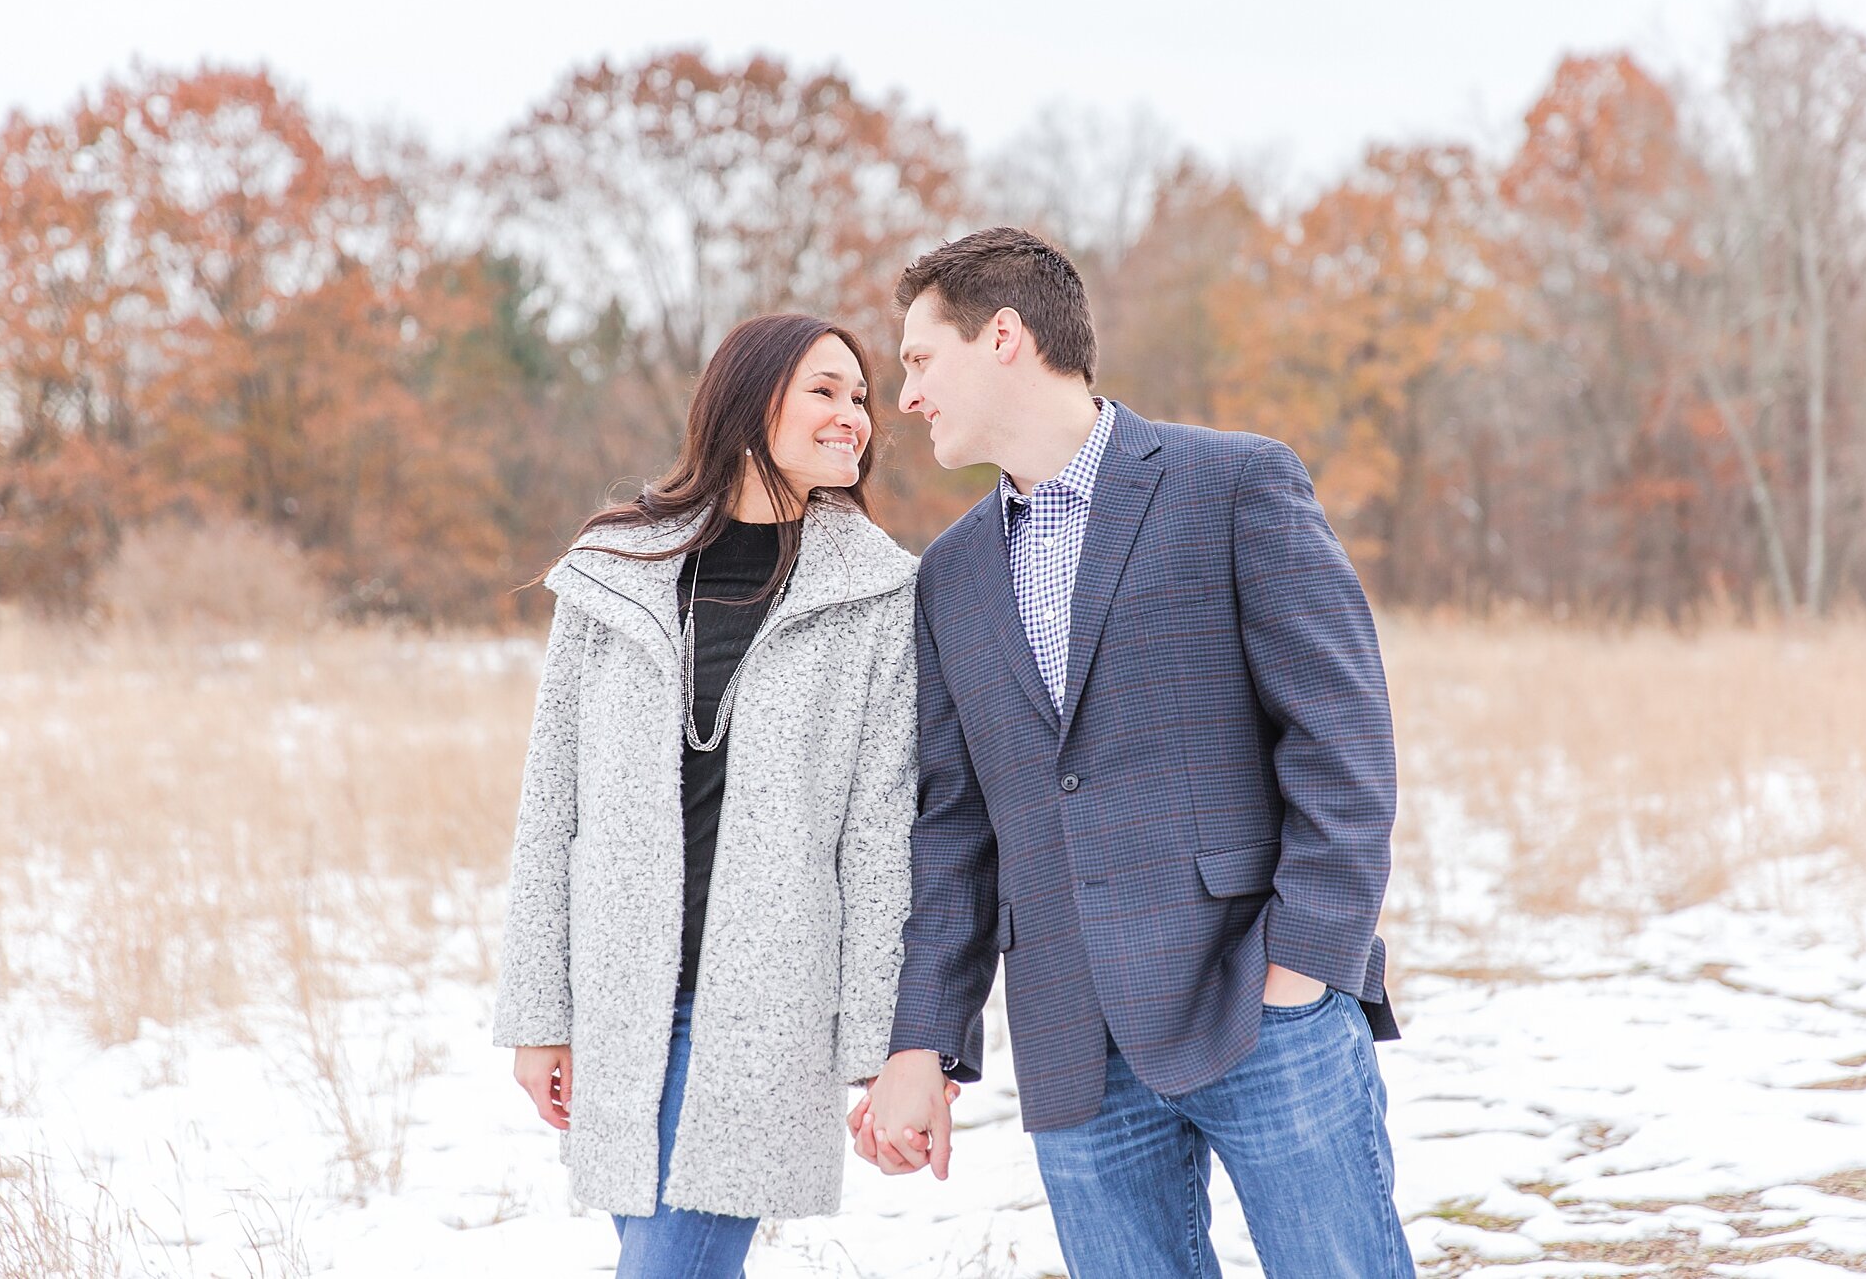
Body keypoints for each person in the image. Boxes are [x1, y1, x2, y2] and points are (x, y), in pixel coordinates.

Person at [852, 229, 1415, 1277]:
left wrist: (1305, 965)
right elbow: (952, 832)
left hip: (1257, 1004)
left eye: (920, 360)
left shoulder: (1233, 485)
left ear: (1005, 337)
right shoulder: (950, 575)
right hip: (1072, 1041)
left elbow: (1341, 740)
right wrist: (919, 1043)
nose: (906, 396)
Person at [493, 312, 941, 1278]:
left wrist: (881, 1053)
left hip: (767, 1010)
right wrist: (540, 1016)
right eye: (825, 391)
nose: (853, 417)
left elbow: (876, 842)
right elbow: (551, 811)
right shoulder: (616, 568)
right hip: (621, 1004)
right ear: (748, 401)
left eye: (859, 398)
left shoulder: (880, 595)